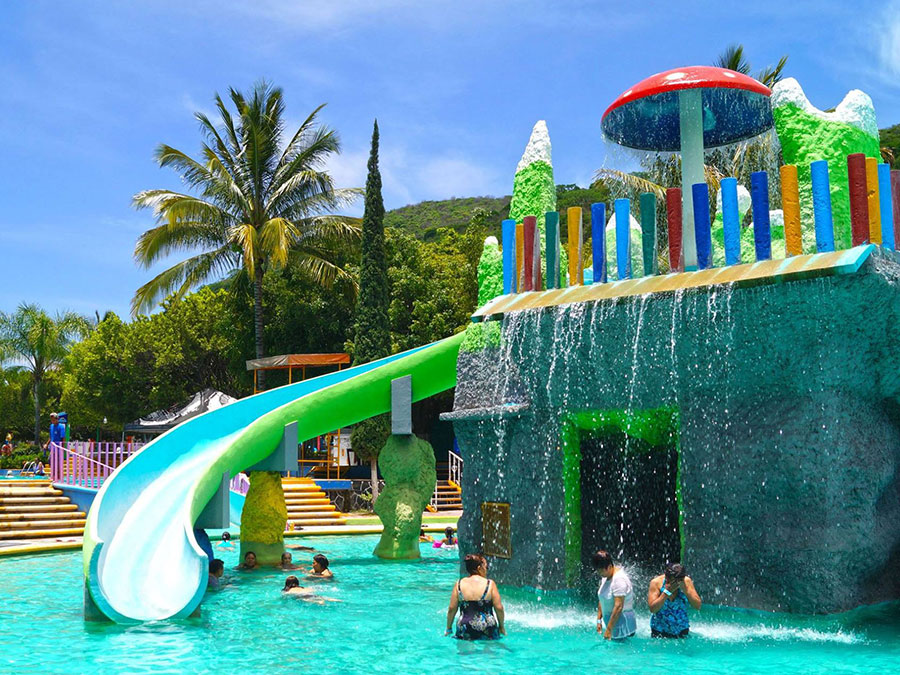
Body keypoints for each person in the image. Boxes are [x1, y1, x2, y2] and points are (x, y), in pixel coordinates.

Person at [445, 553, 505, 640]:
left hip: (465, 626)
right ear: (479, 568)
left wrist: (449, 628)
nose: (486, 570)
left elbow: (451, 609)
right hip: (487, 626)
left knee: (465, 652)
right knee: (490, 652)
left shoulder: (459, 584)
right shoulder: (489, 584)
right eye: (486, 567)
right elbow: (499, 608)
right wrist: (501, 626)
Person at [648, 563, 702, 638]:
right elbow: (652, 609)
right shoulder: (656, 583)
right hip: (659, 631)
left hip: (682, 630)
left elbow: (698, 606)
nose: (675, 584)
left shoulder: (686, 582)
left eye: (677, 581)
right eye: (672, 581)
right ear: (666, 578)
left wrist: (685, 590)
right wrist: (666, 593)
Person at [593, 550, 636, 640]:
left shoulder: (619, 580)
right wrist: (598, 620)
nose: (599, 574)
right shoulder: (606, 576)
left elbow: (618, 606)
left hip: (623, 626)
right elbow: (602, 598)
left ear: (609, 567)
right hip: (614, 625)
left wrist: (609, 630)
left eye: (601, 571)